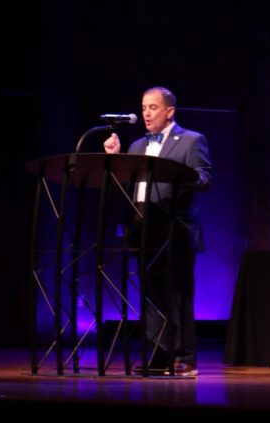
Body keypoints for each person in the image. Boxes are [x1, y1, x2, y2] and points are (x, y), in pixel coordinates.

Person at [103, 86, 212, 376]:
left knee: (177, 293)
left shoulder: (191, 140)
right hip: (144, 229)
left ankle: (185, 358)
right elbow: (125, 187)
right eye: (143, 108)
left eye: (152, 107)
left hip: (174, 228)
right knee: (150, 295)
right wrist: (115, 159)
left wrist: (177, 179)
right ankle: (161, 355)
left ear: (169, 111)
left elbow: (203, 178)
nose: (146, 113)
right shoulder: (137, 146)